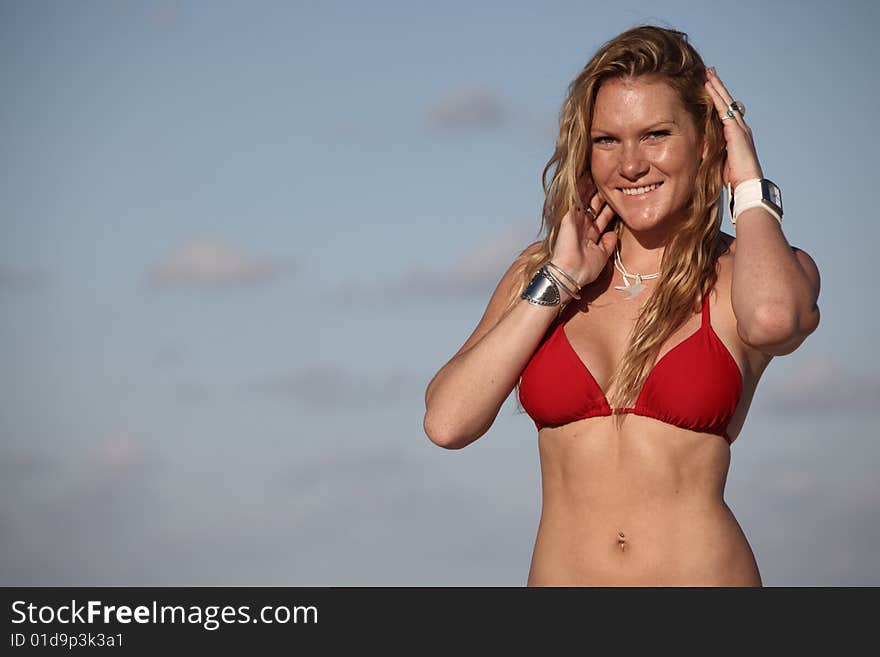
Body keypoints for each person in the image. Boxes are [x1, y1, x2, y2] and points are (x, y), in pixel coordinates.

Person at [422, 24, 821, 586]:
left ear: (707, 142)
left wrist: (749, 185)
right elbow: (447, 422)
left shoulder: (746, 273)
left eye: (655, 134)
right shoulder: (539, 275)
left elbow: (776, 321)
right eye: (607, 140)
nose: (630, 164)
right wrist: (559, 279)